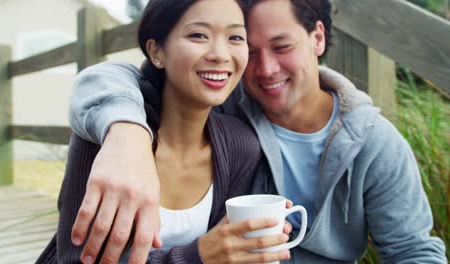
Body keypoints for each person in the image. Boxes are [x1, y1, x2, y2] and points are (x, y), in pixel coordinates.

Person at [67, 0, 447, 263]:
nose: (265, 69)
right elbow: (109, 78)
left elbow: (412, 250)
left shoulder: (375, 144)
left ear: (317, 38)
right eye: (251, 47)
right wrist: (125, 131)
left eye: (282, 47)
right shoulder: (229, 107)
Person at [36, 0, 297, 263]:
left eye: (236, 37)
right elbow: (76, 259)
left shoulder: (241, 146)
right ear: (156, 52)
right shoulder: (110, 139)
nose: (221, 54)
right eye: (198, 35)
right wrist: (197, 256)